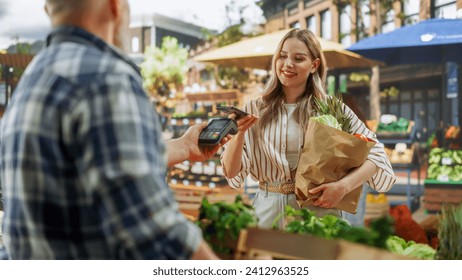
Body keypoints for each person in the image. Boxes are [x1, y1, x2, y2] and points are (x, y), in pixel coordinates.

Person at [0, 0, 227, 259]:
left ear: (49, 9)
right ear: (115, 6)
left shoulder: (33, 78)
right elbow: (154, 231)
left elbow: (94, 165)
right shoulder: (104, 78)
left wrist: (184, 146)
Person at [221, 29, 396, 229]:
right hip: (267, 215)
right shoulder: (252, 109)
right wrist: (239, 133)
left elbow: (376, 153)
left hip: (320, 213)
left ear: (314, 65)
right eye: (283, 56)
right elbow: (231, 171)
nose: (288, 64)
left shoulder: (332, 108)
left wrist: (343, 186)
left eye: (298, 58)